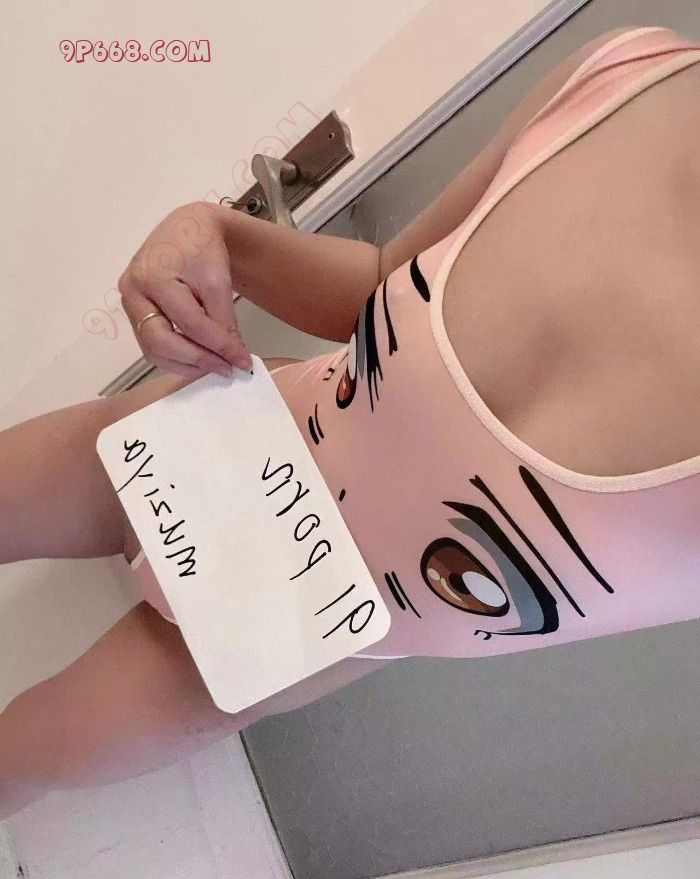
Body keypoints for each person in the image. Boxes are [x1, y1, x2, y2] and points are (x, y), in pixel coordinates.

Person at [1, 25, 698, 820]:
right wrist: (215, 233)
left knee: (13, 761)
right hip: (193, 441)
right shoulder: (626, 72)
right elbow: (375, 281)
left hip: (258, 641)